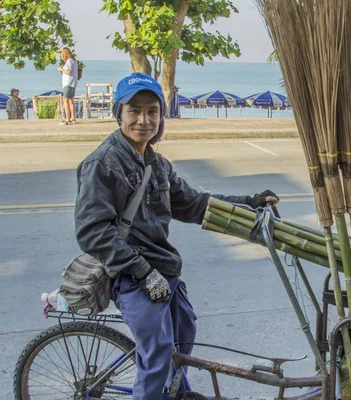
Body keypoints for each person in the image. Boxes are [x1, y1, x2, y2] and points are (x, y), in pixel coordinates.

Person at [74, 72, 279, 399]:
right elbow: (91, 231)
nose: (144, 120)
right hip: (131, 276)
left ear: (161, 116)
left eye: (152, 111)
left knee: (183, 337)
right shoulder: (103, 163)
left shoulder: (155, 164)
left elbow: (195, 203)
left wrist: (249, 202)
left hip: (163, 271)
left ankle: (173, 393)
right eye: (134, 111)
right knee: (157, 357)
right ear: (119, 114)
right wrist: (141, 271)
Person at [58, 47, 78, 125]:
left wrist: (61, 70)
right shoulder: (73, 61)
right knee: (70, 101)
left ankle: (67, 118)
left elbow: (69, 72)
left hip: (68, 83)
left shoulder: (69, 61)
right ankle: (72, 117)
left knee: (65, 100)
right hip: (73, 83)